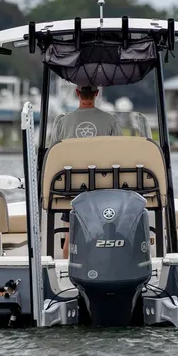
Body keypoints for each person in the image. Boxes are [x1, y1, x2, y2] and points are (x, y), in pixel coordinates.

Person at [49, 84, 121, 258]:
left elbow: (53, 154)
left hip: (71, 186)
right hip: (102, 187)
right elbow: (120, 153)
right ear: (96, 93)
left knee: (69, 236)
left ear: (77, 93)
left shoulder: (62, 122)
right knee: (105, 233)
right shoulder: (109, 120)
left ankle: (66, 271)